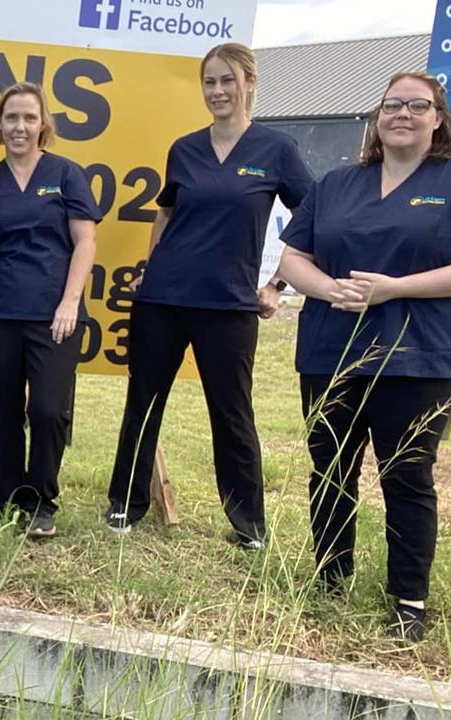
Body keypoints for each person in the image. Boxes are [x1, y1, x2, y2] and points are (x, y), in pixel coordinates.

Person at [105, 43, 313, 547]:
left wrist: (277, 285)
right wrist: (151, 270)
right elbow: (166, 211)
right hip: (164, 299)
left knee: (232, 412)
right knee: (144, 402)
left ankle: (248, 526)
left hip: (228, 305)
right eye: (209, 82)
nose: (217, 91)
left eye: (226, 80)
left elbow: (312, 216)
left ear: (248, 83)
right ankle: (125, 506)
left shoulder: (275, 149)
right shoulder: (185, 148)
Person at [278, 72, 451, 642]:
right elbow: (293, 256)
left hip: (415, 357)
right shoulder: (335, 183)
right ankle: (329, 582)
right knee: (330, 472)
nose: (402, 113)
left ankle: (408, 601)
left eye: (416, 105)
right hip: (331, 351)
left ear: (438, 118)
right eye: (392, 103)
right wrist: (328, 290)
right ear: (378, 117)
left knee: (407, 477)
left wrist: (395, 287)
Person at [0, 82, 101, 538]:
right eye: (11, 118)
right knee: (2, 411)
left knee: (47, 410)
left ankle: (41, 502)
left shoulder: (65, 174)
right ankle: (3, 501)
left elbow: (86, 243)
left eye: (28, 118)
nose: (20, 126)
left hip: (53, 318)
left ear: (43, 124)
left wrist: (69, 302)